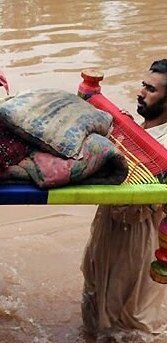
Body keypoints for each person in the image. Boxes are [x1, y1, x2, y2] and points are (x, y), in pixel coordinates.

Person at [81, 59, 167, 340]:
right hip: (108, 225)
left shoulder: (163, 146)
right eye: (143, 85)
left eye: (151, 89)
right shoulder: (133, 130)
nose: (140, 93)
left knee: (133, 321)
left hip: (139, 237)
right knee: (95, 301)